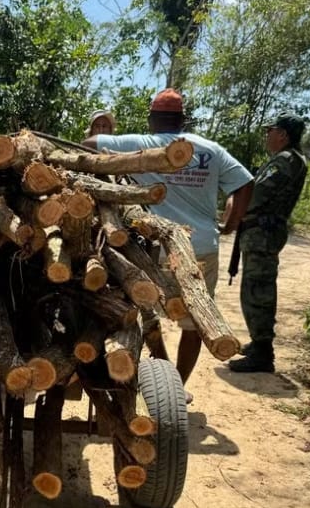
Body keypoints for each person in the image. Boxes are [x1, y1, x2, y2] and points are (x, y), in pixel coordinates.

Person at [84, 87, 253, 395]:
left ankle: (162, 380)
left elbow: (89, 144)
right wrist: (229, 224)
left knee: (143, 312)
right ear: (182, 120)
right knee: (196, 322)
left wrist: (124, 161)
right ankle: (177, 385)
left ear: (151, 119)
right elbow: (244, 183)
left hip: (152, 248)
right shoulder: (210, 149)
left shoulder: (142, 144)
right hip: (202, 248)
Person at [228, 113, 308, 374]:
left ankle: (263, 352)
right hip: (262, 232)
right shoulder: (289, 160)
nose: (267, 135)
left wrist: (235, 205)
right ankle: (259, 344)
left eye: (270, 130)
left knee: (257, 292)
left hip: (262, 233)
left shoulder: (284, 161)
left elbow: (256, 194)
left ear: (283, 134)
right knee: (255, 289)